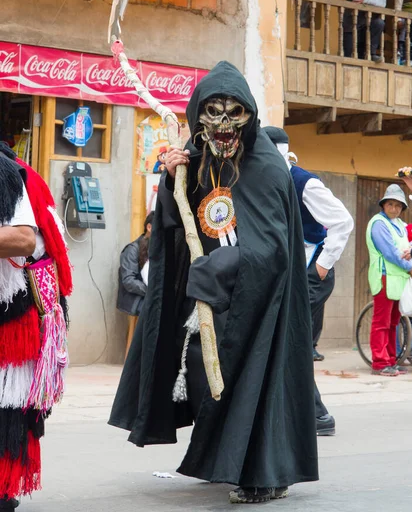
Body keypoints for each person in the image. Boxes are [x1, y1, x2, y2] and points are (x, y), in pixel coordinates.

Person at [109, 61, 318, 505]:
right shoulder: (199, 156)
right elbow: (174, 224)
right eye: (213, 112)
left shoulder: (265, 165)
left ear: (250, 116)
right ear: (197, 115)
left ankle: (264, 473)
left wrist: (226, 265)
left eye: (234, 113)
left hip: (260, 300)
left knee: (253, 380)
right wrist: (171, 180)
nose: (223, 125)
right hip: (212, 298)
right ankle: (221, 458)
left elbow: (274, 247)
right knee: (204, 375)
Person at [265, 126, 353, 437]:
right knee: (289, 342)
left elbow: (343, 220)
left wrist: (321, 266)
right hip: (294, 272)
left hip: (311, 274)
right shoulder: (273, 180)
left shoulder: (304, 182)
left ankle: (316, 415)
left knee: (291, 341)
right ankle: (305, 413)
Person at [0, 142, 72, 509]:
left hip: (13, 318)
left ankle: (3, 489)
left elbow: (24, 238)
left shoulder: (4, 171)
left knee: (6, 404)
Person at [366, 184, 412, 377]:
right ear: (383, 205)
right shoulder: (379, 223)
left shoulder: (399, 225)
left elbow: (406, 250)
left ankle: (390, 360)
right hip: (385, 276)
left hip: (398, 279)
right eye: (390, 204)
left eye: (398, 205)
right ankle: (379, 363)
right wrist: (411, 266)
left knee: (393, 322)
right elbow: (390, 253)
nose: (394, 208)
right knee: (382, 321)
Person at [117, 212, 153, 357]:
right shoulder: (132, 249)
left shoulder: (157, 248)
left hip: (147, 295)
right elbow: (128, 281)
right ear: (149, 227)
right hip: (135, 298)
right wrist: (151, 291)